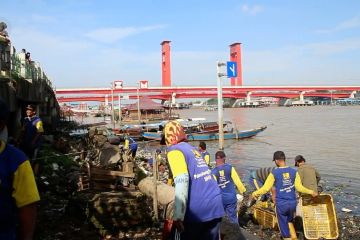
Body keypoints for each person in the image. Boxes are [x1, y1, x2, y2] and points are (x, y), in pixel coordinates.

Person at [161, 120, 224, 240]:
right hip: (215, 205)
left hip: (197, 211)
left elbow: (182, 180)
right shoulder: (193, 149)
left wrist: (178, 216)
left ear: (169, 139)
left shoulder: (174, 151)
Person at [251, 151, 317, 240]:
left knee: (284, 232)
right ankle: (294, 237)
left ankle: (288, 237)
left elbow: (266, 188)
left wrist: (254, 193)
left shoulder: (274, 173)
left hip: (282, 205)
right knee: (289, 221)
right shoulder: (294, 172)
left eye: (274, 160)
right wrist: (311, 192)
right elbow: (299, 187)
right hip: (293, 204)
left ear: (277, 160)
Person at [0, 98, 40, 239]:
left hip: (31, 146)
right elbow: (23, 131)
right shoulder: (25, 120)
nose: (28, 111)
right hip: (24, 145)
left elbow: (27, 208)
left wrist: (33, 143)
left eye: (30, 110)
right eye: (27, 109)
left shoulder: (16, 161)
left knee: (33, 161)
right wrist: (19, 140)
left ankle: (35, 176)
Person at [211, 151, 246, 224]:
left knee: (220, 219)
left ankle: (222, 232)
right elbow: (238, 182)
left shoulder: (213, 172)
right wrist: (243, 191)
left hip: (220, 199)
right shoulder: (230, 168)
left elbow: (212, 188)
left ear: (215, 160)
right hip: (231, 198)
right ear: (224, 158)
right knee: (233, 217)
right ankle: (236, 232)